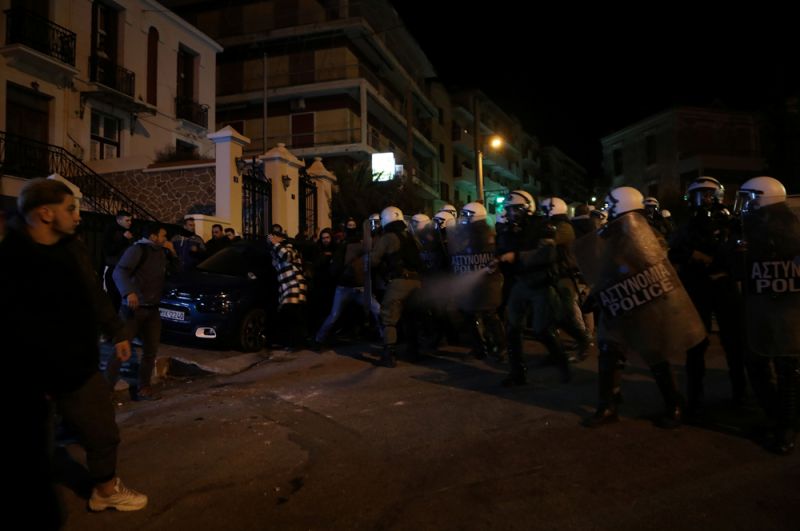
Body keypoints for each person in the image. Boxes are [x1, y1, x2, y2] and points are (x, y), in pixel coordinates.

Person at [1, 179, 147, 524]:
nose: (77, 216)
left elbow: (93, 294)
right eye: (71, 209)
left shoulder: (72, 247)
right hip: (30, 370)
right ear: (45, 213)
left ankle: (105, 490)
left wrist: (116, 332)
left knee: (101, 430)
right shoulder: (12, 257)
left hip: (77, 364)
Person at [575, 186, 705, 428]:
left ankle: (674, 404)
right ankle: (608, 407)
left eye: (612, 205)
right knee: (608, 352)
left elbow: (655, 267)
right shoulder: (611, 234)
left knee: (655, 354)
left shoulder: (649, 233)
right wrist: (598, 292)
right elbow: (606, 267)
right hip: (618, 303)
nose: (608, 211)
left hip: (646, 304)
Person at [734, 176, 800, 454]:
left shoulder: (783, 227)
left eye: (749, 198)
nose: (744, 205)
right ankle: (776, 419)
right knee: (761, 364)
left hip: (786, 309)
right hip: (764, 307)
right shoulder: (753, 226)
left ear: (762, 197)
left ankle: (786, 428)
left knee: (787, 369)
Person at [497, 190, 572, 386]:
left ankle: (562, 364)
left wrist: (517, 256)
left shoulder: (542, 225)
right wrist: (497, 262)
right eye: (509, 209)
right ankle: (517, 374)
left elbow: (546, 253)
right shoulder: (508, 230)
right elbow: (503, 252)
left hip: (540, 282)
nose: (512, 213)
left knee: (541, 330)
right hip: (519, 282)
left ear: (527, 208)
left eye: (516, 209)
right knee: (513, 329)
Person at [108, 223, 179, 400]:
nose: (166, 239)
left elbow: (177, 271)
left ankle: (143, 387)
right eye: (163, 236)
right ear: (154, 237)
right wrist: (129, 292)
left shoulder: (162, 253)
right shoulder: (138, 250)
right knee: (120, 349)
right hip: (133, 309)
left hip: (152, 310)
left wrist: (173, 253)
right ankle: (106, 390)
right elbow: (119, 271)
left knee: (150, 350)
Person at [371, 206, 424, 367]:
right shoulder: (411, 236)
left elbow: (374, 260)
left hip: (399, 281)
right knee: (411, 317)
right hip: (417, 281)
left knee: (388, 317)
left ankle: (389, 354)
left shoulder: (388, 237)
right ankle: (413, 351)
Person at [268, 228, 308, 350]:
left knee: (291, 314)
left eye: (273, 237)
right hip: (286, 287)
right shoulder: (276, 250)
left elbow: (287, 256)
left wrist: (276, 244)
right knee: (291, 315)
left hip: (294, 285)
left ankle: (295, 343)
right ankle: (294, 342)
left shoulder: (289, 247)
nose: (271, 240)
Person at [102, 209, 134, 312]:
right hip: (113, 268)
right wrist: (124, 239)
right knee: (113, 298)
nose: (130, 222)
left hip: (124, 270)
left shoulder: (126, 232)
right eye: (127, 220)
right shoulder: (111, 231)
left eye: (130, 220)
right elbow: (109, 251)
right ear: (119, 220)